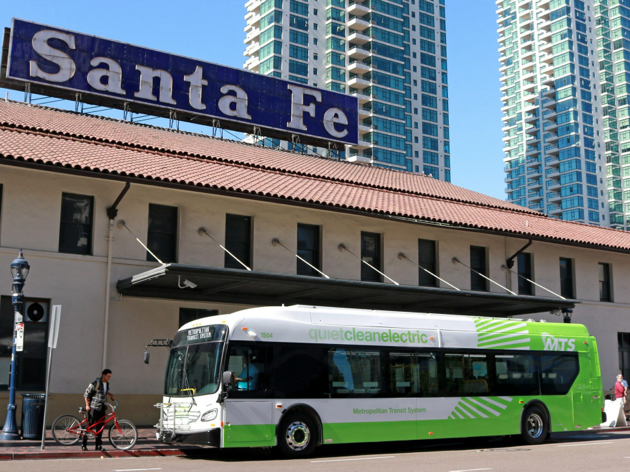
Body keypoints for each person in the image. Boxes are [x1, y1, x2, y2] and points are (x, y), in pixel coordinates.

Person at [82, 369, 115, 451]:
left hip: (102, 408)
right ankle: (84, 444)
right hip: (94, 407)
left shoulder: (107, 384)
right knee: (90, 426)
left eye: (110, 376)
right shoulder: (95, 383)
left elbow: (105, 392)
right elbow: (86, 394)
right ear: (103, 375)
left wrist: (111, 395)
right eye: (108, 376)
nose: (109, 378)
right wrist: (87, 405)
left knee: (100, 427)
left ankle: (98, 446)